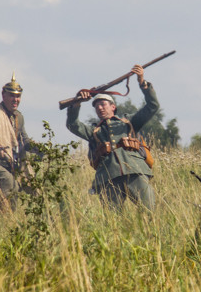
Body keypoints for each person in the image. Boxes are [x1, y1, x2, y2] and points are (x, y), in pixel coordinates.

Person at [65, 64, 159, 209]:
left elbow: (153, 106)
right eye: (96, 106)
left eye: (103, 104)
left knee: (150, 212)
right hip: (108, 178)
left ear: (113, 106)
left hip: (135, 171)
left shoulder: (129, 123)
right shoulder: (94, 132)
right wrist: (76, 104)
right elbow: (73, 124)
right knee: (113, 222)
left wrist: (142, 82)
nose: (99, 108)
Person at [0, 73, 30, 210]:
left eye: (18, 96)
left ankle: (6, 220)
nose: (15, 99)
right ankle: (5, 218)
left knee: (28, 182)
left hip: (8, 162)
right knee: (8, 181)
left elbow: (24, 140)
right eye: (12, 95)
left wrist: (39, 148)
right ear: (3, 96)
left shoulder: (19, 117)